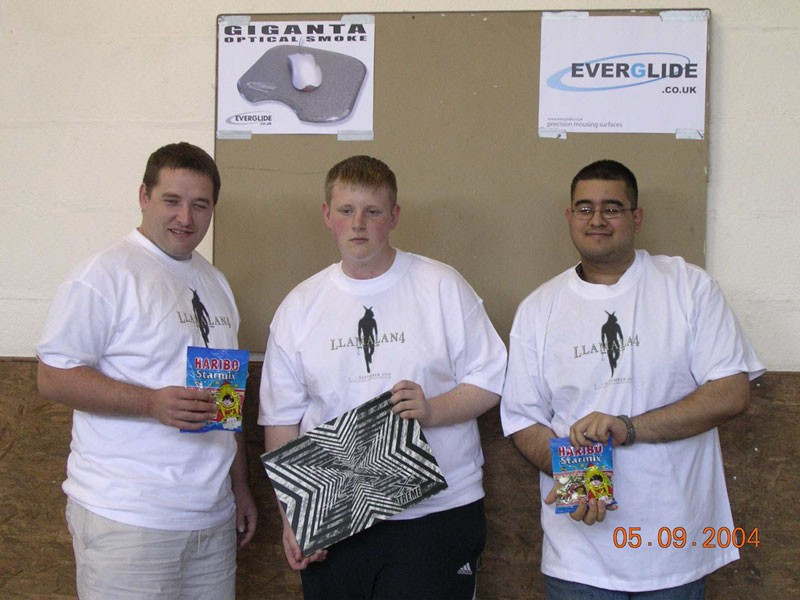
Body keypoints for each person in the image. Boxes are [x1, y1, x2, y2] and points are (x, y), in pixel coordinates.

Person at [500, 159, 764, 599]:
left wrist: (628, 427)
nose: (597, 220)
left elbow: (731, 393)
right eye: (584, 208)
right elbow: (523, 419)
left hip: (675, 550)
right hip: (579, 556)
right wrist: (582, 479)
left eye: (612, 208)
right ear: (569, 216)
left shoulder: (688, 287)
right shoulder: (539, 308)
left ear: (636, 217)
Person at [259, 155, 507, 599]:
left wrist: (432, 410)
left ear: (394, 216)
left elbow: (492, 379)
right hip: (336, 518)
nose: (358, 224)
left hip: (438, 513)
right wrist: (295, 517)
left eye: (372, 211)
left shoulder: (441, 285)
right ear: (327, 215)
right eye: (346, 210)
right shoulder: (300, 306)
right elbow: (281, 419)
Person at [36, 142, 257, 599]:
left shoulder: (215, 283)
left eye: (200, 205)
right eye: (171, 200)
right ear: (144, 196)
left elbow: (226, 399)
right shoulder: (105, 275)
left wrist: (239, 486)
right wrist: (151, 403)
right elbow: (52, 376)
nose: (185, 218)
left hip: (212, 520)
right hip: (128, 519)